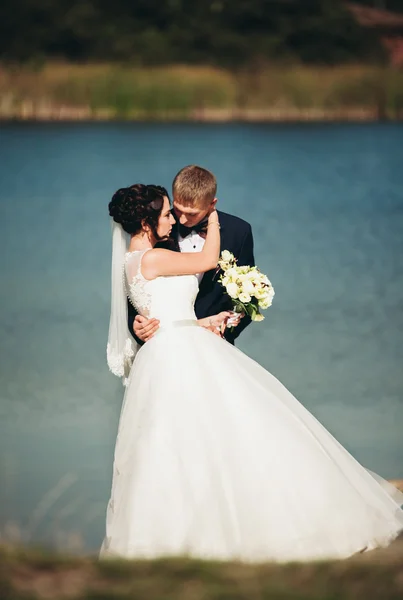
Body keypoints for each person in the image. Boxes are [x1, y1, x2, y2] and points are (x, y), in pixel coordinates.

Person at [101, 183, 403, 562]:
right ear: (146, 222)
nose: (171, 219)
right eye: (165, 213)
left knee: (201, 438)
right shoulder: (151, 257)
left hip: (183, 343)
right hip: (177, 358)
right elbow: (209, 260)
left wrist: (206, 321)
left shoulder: (140, 258)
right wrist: (211, 217)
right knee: (198, 438)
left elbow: (168, 309)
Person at [128, 165, 255, 346]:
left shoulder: (238, 231)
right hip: (163, 344)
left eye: (192, 214)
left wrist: (226, 328)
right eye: (178, 210)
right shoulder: (158, 226)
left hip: (216, 346)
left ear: (212, 204)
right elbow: (134, 286)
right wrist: (136, 326)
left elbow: (250, 295)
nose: (181, 220)